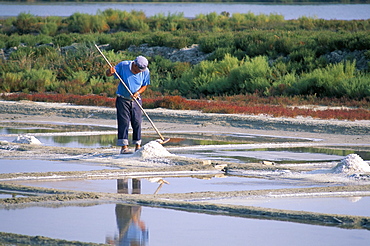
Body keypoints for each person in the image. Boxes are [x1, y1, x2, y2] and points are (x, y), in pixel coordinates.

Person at [106, 56, 150, 154]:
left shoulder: (145, 71)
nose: (140, 72)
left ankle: (138, 145)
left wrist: (138, 93)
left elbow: (144, 85)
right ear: (134, 65)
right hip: (122, 99)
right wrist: (110, 71)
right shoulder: (123, 65)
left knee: (137, 122)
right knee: (124, 122)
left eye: (141, 70)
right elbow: (108, 74)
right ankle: (124, 147)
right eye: (138, 70)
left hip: (136, 100)